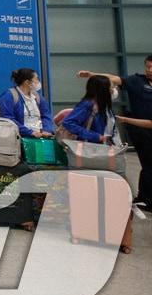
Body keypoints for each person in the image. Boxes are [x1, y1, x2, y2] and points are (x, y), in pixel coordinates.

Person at [78, 62, 152, 208]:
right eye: (147, 67)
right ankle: (145, 198)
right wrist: (92, 74)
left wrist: (123, 120)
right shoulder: (137, 81)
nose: (149, 70)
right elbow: (114, 78)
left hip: (146, 124)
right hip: (142, 133)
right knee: (149, 165)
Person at [61, 74, 122, 144]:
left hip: (106, 147)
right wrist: (96, 136)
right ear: (103, 90)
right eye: (111, 87)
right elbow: (68, 123)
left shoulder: (105, 106)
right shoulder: (87, 105)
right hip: (90, 148)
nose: (113, 90)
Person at [0, 68, 54, 139]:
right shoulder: (9, 95)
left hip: (39, 137)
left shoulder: (37, 97)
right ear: (27, 82)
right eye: (36, 79)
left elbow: (46, 115)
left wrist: (46, 130)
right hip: (18, 138)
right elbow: (8, 118)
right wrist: (29, 132)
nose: (38, 82)